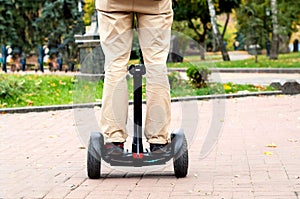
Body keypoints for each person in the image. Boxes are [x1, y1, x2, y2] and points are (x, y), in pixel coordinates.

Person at [95, 0, 173, 155]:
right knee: (156, 65)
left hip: (112, 4)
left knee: (115, 65)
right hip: (155, 4)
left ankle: (114, 140)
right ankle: (158, 141)